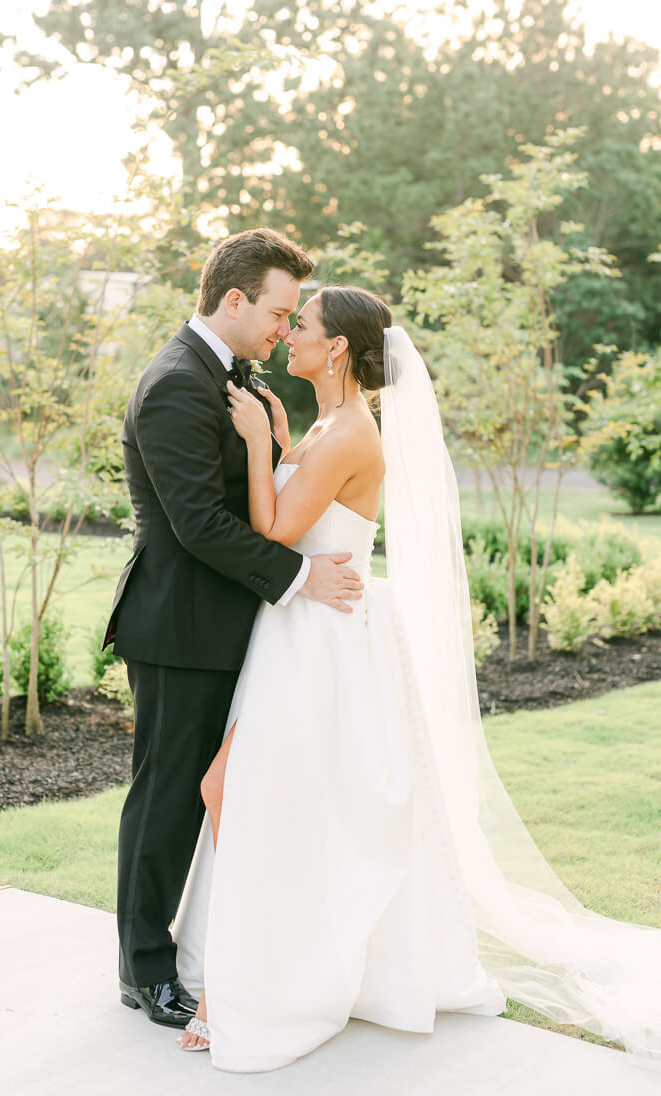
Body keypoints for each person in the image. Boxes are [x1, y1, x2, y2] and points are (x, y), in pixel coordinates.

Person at [172, 286, 661, 1071]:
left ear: (334, 349)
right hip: (300, 631)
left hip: (324, 642)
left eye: (302, 325)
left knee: (241, 792)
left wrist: (260, 443)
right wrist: (281, 436)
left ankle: (242, 987)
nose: (289, 333)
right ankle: (258, 971)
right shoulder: (328, 424)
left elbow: (275, 527)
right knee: (257, 797)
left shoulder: (350, 431)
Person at [103, 229, 365, 1030]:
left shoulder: (230, 375)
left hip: (225, 628)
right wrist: (299, 577)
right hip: (178, 628)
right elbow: (197, 525)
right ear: (234, 299)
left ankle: (193, 951)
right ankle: (144, 969)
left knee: (210, 793)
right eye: (280, 314)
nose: (285, 332)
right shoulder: (178, 382)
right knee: (169, 798)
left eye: (295, 320)